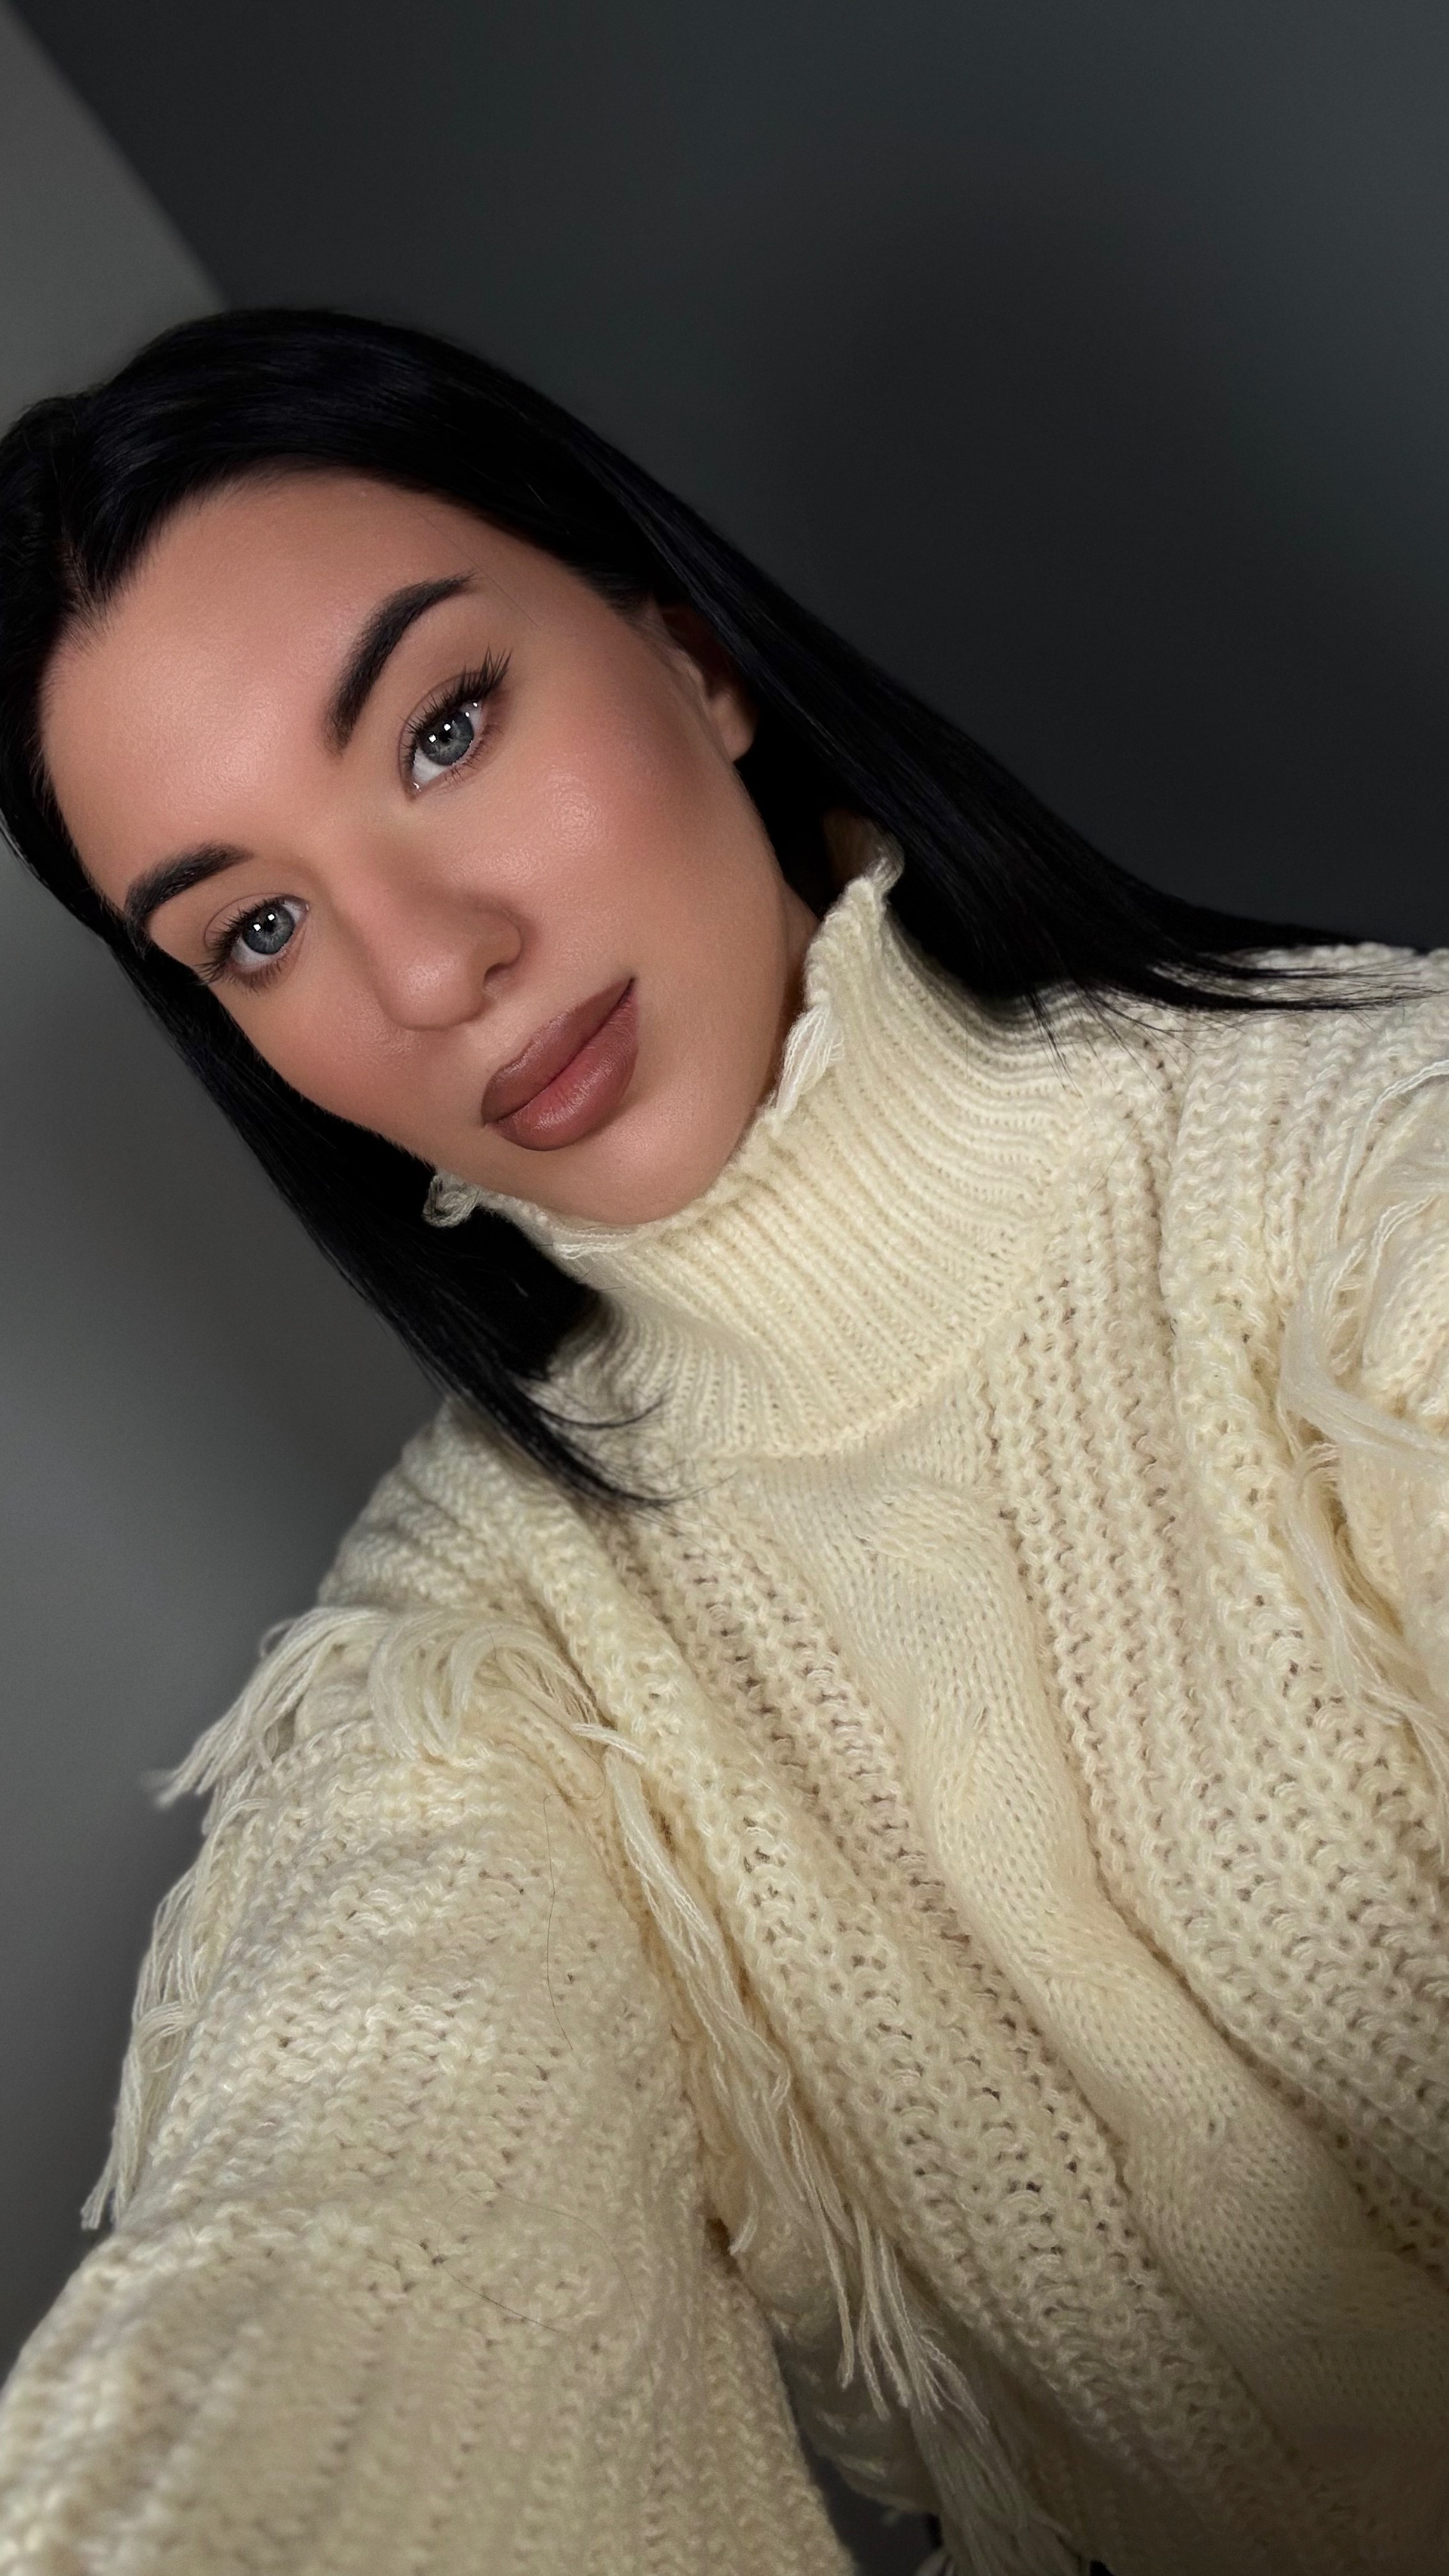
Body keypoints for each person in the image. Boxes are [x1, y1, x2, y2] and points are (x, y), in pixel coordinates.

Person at [0, 307, 1444, 2576]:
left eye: (444, 727)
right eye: (258, 926)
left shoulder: (1364, 1147)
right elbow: (352, 2225)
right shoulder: (475, 1650)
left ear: (687, 652)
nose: (429, 967)